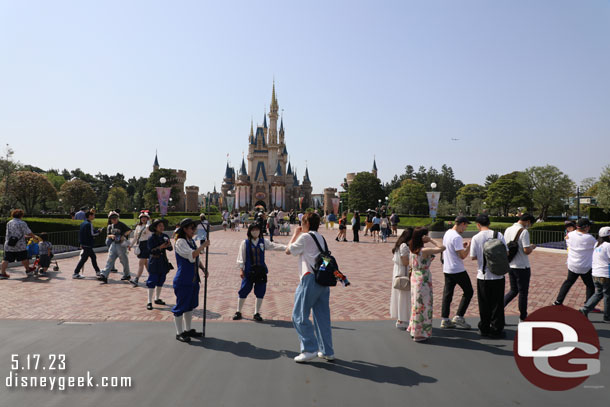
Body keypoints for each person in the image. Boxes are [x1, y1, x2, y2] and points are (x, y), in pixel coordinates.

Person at [286, 212, 335, 362]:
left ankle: (309, 349)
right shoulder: (321, 237)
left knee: (299, 315)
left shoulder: (305, 237)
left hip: (309, 279)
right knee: (322, 317)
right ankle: (327, 351)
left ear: (306, 224)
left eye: (302, 222)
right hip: (323, 280)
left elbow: (289, 250)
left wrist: (295, 234)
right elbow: (325, 258)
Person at [233, 223, 287, 322]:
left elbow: (274, 246)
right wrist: (241, 269)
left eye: (257, 229)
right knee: (244, 289)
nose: (255, 231)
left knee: (260, 291)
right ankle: (238, 311)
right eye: (253, 230)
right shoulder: (245, 243)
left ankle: (256, 313)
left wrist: (287, 247)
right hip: (249, 271)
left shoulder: (263, 242)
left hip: (261, 271)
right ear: (249, 231)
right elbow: (241, 257)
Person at [172, 218, 210, 343]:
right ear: (184, 229)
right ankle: (179, 332)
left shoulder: (191, 241)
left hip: (193, 278)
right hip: (183, 278)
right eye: (191, 228)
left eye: (194, 228)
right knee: (181, 306)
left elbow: (196, 258)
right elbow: (192, 255)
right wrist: (203, 246)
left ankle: (187, 329)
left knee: (189, 306)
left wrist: (203, 269)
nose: (194, 231)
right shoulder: (180, 242)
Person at [470, 214, 506, 338]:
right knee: (497, 303)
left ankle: (484, 328)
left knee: (484, 303)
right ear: (489, 223)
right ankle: (497, 328)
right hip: (498, 275)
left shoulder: (476, 237)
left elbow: (473, 257)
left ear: (478, 224)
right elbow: (505, 252)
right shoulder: (498, 235)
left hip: (483, 275)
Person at [408, 227, 445, 342]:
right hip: (423, 278)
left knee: (416, 304)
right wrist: (431, 240)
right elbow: (443, 247)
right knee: (423, 305)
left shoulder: (412, 248)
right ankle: (419, 333)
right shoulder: (424, 250)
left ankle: (414, 328)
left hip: (415, 276)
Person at [554, 218, 597, 306]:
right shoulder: (590, 238)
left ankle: (558, 301)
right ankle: (588, 305)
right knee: (590, 286)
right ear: (586, 227)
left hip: (573, 265)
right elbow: (598, 247)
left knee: (568, 282)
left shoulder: (570, 235)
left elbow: (567, 238)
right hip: (585, 266)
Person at [440, 216, 473, 329]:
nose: (465, 228)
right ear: (462, 224)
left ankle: (445, 319)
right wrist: (469, 247)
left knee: (448, 294)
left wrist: (461, 246)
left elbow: (450, 248)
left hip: (447, 268)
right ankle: (459, 317)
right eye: (466, 226)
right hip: (457, 269)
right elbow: (462, 256)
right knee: (469, 292)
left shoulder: (448, 233)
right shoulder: (457, 237)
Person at [503, 213, 536, 322]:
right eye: (530, 224)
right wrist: (532, 246)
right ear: (528, 221)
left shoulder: (508, 229)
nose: (529, 226)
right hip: (522, 266)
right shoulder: (524, 231)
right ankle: (523, 317)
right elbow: (526, 250)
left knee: (513, 290)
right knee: (523, 292)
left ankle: (498, 309)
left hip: (511, 264)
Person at [580, 227, 610, 322]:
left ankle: (585, 309)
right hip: (605, 274)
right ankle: (607, 316)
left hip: (596, 273)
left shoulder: (597, 244)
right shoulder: (608, 245)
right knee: (607, 295)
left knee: (599, 293)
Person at [98, 211, 132, 284]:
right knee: (110, 259)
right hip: (113, 244)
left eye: (115, 218)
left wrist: (123, 235)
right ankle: (104, 275)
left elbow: (129, 230)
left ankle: (127, 274)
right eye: (112, 218)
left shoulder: (121, 224)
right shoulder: (110, 226)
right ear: (110, 219)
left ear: (118, 218)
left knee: (124, 260)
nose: (114, 219)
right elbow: (108, 235)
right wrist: (111, 236)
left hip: (121, 245)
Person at [1, 209, 36, 279]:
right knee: (24, 258)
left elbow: (11, 233)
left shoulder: (9, 223)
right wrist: (34, 237)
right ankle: (28, 270)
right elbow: (28, 232)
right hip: (19, 245)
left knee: (6, 259)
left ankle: (2, 273)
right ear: (21, 215)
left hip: (9, 244)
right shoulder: (22, 223)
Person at [146, 219, 172, 310]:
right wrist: (160, 247)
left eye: (162, 226)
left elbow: (170, 249)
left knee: (161, 279)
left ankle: (157, 298)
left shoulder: (165, 236)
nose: (162, 227)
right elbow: (150, 251)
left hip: (163, 261)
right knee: (152, 280)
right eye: (160, 226)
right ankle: (149, 301)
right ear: (155, 227)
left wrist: (168, 245)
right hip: (154, 261)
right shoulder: (151, 238)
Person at [390, 228, 413, 330]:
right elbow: (405, 262)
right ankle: (402, 319)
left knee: (400, 295)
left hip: (398, 271)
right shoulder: (404, 246)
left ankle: (401, 318)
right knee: (403, 296)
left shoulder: (399, 245)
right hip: (402, 272)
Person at [73, 211, 101, 278]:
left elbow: (81, 234)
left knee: (92, 257)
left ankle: (98, 271)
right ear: (90, 216)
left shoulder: (83, 223)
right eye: (93, 215)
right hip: (88, 244)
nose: (94, 216)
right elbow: (92, 234)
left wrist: (81, 243)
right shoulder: (89, 224)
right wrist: (99, 232)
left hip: (85, 244)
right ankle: (76, 273)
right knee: (84, 259)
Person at [130, 212, 152, 287]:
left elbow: (149, 228)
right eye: (142, 217)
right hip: (140, 245)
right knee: (145, 263)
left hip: (147, 245)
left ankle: (136, 279)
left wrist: (148, 222)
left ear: (148, 218)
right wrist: (130, 245)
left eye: (145, 217)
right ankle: (152, 277)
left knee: (141, 263)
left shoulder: (148, 226)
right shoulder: (138, 227)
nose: (143, 219)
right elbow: (135, 237)